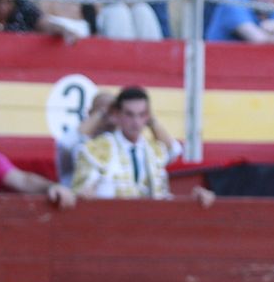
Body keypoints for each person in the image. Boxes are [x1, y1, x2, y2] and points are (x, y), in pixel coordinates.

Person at [73, 85, 214, 204]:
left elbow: (175, 151)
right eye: (129, 114)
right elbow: (82, 193)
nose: (136, 122)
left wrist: (192, 200)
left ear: (148, 116)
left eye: (141, 115)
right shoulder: (95, 150)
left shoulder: (155, 151)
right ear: (117, 114)